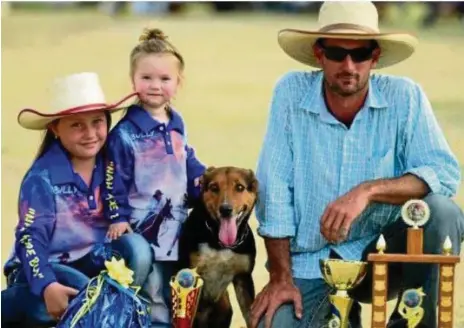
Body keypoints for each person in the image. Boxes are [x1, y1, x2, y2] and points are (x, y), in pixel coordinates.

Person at [249, 2, 464, 328]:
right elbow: (275, 188)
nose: (348, 65)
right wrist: (280, 277)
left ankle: (413, 321)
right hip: (312, 263)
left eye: (360, 54)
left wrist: (368, 190)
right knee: (273, 324)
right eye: (336, 53)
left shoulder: (406, 97)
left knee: (441, 212)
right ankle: (341, 317)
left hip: (386, 256)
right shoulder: (290, 92)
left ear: (374, 57)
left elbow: (444, 173)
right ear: (319, 54)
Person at [1, 72, 153, 327]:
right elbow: (30, 238)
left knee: (136, 249)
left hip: (91, 259)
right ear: (55, 129)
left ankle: (108, 314)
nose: (90, 133)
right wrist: (48, 286)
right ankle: (16, 304)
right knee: (87, 295)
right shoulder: (42, 179)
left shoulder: (111, 164)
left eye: (97, 122)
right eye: (76, 125)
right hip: (44, 268)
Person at [103, 28, 206, 326]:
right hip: (141, 227)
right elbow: (113, 179)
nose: (155, 86)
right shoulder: (125, 133)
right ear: (133, 80)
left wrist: (201, 181)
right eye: (146, 78)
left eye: (165, 79)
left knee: (175, 287)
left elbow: (186, 158)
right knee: (151, 291)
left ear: (178, 82)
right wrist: (117, 216)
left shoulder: (176, 123)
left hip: (176, 224)